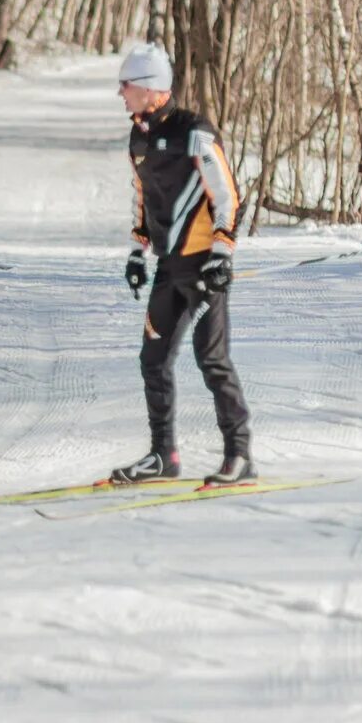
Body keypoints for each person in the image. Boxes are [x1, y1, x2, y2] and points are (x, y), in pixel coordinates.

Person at [111, 44, 252, 485]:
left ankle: (239, 457)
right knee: (152, 360)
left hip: (204, 267)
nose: (121, 94)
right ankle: (163, 457)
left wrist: (222, 253)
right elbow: (142, 198)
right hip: (169, 268)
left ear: (150, 88)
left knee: (212, 359)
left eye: (126, 85)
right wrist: (137, 251)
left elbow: (226, 195)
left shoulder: (195, 132)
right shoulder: (138, 138)